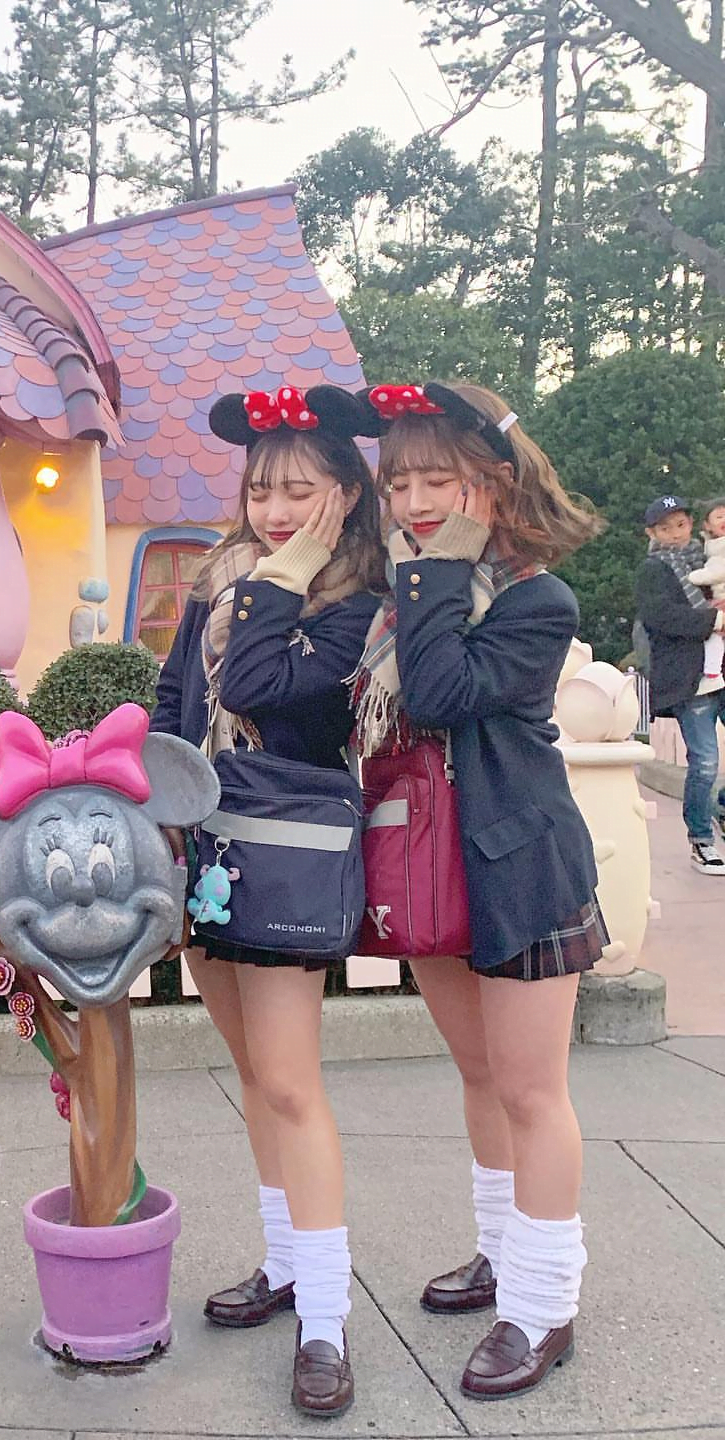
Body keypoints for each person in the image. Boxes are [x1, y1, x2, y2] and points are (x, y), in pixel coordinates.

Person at [354, 380, 605, 1401]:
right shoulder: (400, 597)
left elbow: (443, 691)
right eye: (400, 482)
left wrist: (430, 575)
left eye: (439, 481)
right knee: (479, 1076)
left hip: (521, 868)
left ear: (494, 484)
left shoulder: (538, 601)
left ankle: (543, 1307)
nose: (415, 502)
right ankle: (504, 1251)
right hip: (435, 867)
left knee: (533, 1091)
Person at [151, 384, 385, 1418]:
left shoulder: (357, 604)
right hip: (206, 845)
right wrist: (157, 807)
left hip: (287, 855)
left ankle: (326, 1319)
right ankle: (286, 1262)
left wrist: (283, 574)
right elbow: (177, 700)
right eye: (261, 492)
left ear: (345, 495)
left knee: (291, 1085)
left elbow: (253, 687)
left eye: (299, 491)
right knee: (254, 1074)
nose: (276, 511)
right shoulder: (219, 583)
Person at [635, 494, 725, 874]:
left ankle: (722, 809)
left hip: (721, 669)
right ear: (651, 533)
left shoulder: (707, 560)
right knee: (704, 763)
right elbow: (660, 617)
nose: (675, 533)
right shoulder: (653, 569)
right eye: (666, 527)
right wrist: (713, 620)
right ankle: (701, 841)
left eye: (681, 524)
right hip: (692, 681)